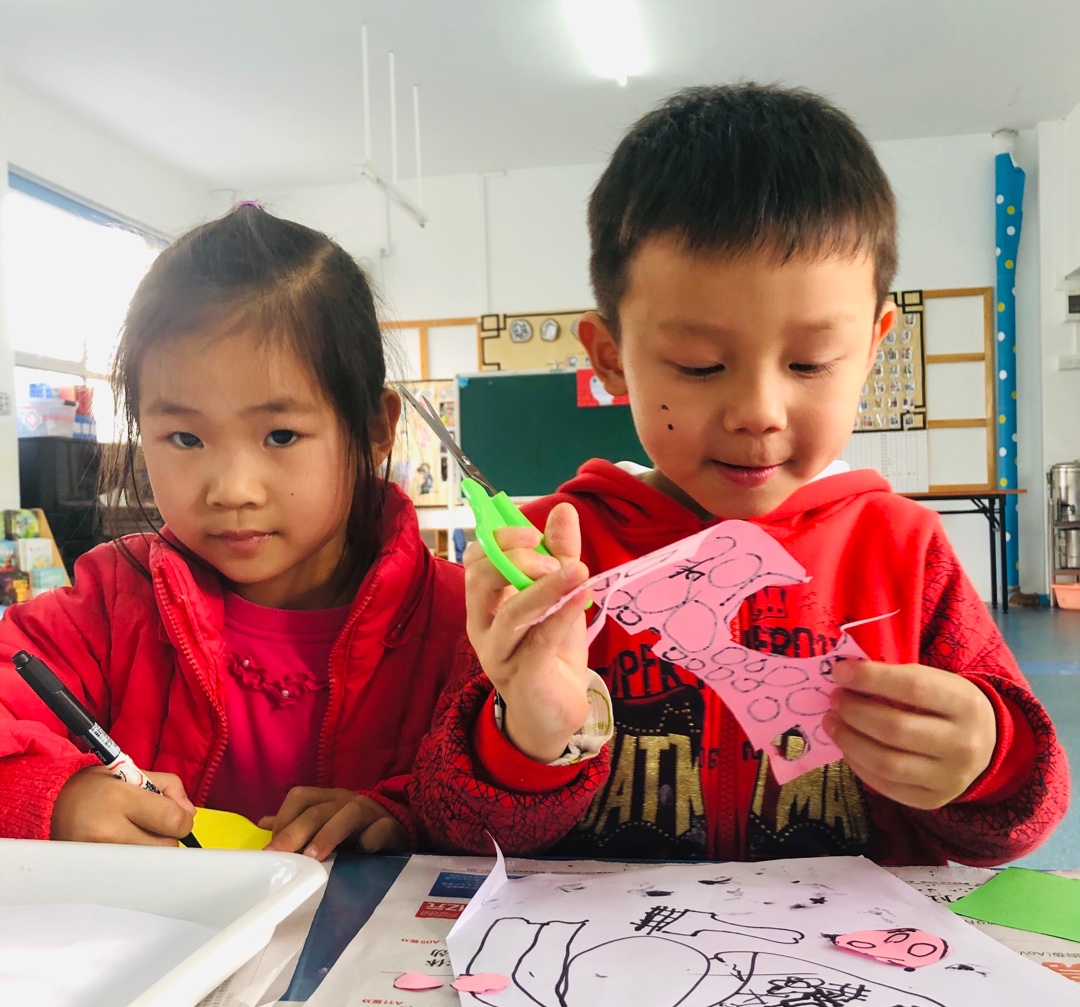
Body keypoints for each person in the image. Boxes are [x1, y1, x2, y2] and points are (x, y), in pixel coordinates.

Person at [411, 84, 1068, 866]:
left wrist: (986, 760)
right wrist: (529, 735)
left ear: (871, 348)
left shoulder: (905, 551)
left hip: (858, 943)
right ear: (611, 358)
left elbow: (1026, 817)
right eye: (699, 365)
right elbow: (450, 827)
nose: (759, 412)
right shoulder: (550, 561)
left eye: (810, 363)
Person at [0, 204, 464, 860]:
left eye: (282, 435)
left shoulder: (462, 619)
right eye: (185, 438)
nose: (232, 489)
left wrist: (402, 813)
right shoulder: (109, 603)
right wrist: (56, 798)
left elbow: (519, 805)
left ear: (373, 430)